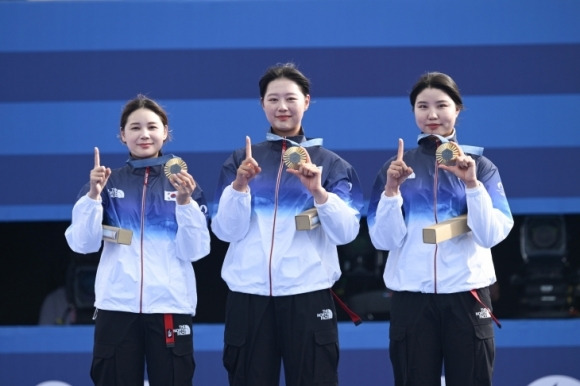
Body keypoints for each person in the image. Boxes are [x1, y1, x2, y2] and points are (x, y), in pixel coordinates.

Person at [211, 63, 364, 386]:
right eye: (273, 99)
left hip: (307, 295)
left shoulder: (331, 164)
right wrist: (239, 187)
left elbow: (346, 232)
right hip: (248, 296)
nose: (282, 107)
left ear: (306, 101)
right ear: (262, 104)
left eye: (291, 99)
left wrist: (319, 193)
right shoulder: (241, 161)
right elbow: (225, 231)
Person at [367, 72, 513, 386]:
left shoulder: (482, 167)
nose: (432, 114)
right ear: (413, 112)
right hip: (411, 300)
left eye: (441, 105)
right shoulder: (395, 168)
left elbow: (490, 234)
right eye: (422, 106)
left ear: (458, 109)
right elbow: (383, 240)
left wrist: (471, 185)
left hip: (467, 295)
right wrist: (391, 191)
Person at [64, 94, 211, 386]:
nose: (144, 134)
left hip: (169, 306)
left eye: (152, 127)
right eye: (134, 127)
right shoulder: (107, 182)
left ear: (166, 132)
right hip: (117, 307)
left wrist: (184, 204)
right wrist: (93, 196)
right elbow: (83, 244)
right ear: (122, 135)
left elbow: (196, 251)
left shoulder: (184, 185)